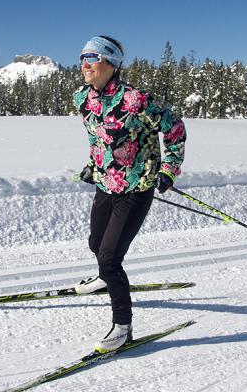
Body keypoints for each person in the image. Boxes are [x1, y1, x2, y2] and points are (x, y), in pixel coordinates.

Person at [72, 35, 186, 353]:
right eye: (82, 57)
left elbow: (175, 128)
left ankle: (123, 328)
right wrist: (92, 166)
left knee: (110, 258)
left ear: (111, 63)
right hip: (105, 183)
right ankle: (105, 279)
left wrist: (169, 170)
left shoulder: (135, 100)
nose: (85, 63)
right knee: (96, 244)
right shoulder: (83, 99)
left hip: (136, 187)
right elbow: (100, 138)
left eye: (92, 57)